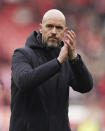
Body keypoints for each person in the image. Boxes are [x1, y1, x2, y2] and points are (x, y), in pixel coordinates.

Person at [9, 9, 93, 131]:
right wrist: (57, 62)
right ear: (41, 28)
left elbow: (86, 86)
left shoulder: (66, 59)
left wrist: (74, 58)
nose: (54, 31)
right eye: (49, 26)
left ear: (65, 32)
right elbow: (24, 81)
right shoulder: (22, 54)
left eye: (59, 28)